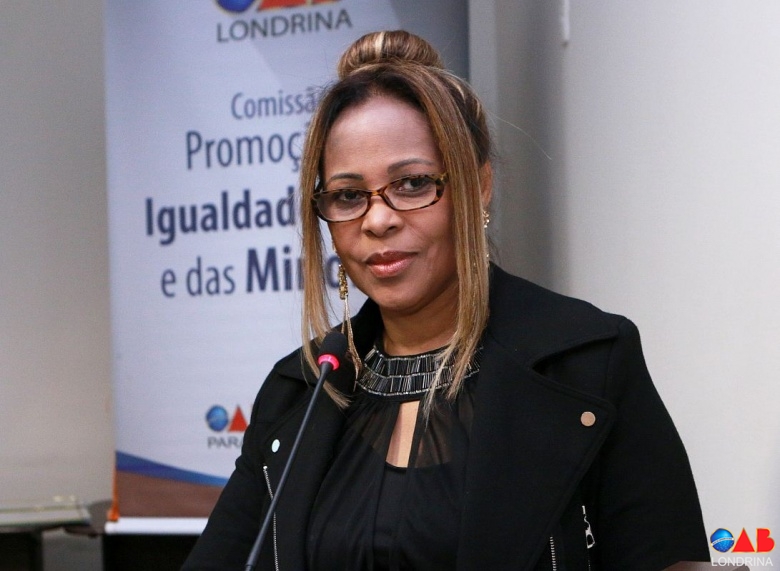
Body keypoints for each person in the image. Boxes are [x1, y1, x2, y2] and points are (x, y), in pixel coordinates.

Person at [183, 30, 709, 570]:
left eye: (412, 184)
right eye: (348, 195)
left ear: (478, 187)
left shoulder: (587, 363)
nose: (378, 219)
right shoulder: (298, 392)